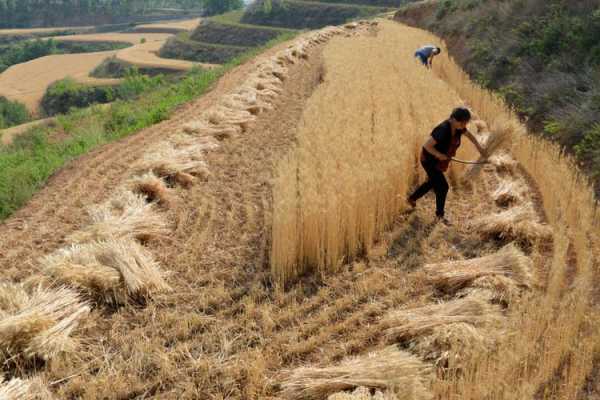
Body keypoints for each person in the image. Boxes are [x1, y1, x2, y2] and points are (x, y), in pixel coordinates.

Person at [407, 107, 487, 224]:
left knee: (432, 182)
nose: (464, 125)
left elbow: (470, 136)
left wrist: (480, 148)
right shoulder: (443, 129)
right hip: (429, 160)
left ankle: (411, 199)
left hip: (438, 161)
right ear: (454, 119)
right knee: (443, 187)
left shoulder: (458, 127)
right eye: (462, 122)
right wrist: (439, 154)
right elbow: (427, 146)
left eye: (466, 123)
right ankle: (439, 215)